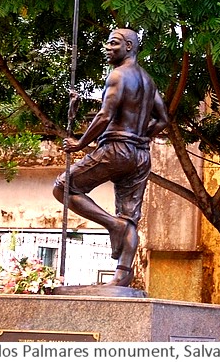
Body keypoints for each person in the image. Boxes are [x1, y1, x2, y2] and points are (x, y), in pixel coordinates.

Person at [53, 28, 169, 287]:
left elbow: (104, 116)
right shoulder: (149, 82)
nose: (107, 47)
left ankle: (112, 225)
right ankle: (121, 277)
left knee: (63, 187)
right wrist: (140, 136)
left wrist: (80, 142)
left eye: (113, 43)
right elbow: (163, 119)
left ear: (129, 46)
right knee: (130, 216)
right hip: (140, 155)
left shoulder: (118, 75)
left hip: (117, 149)